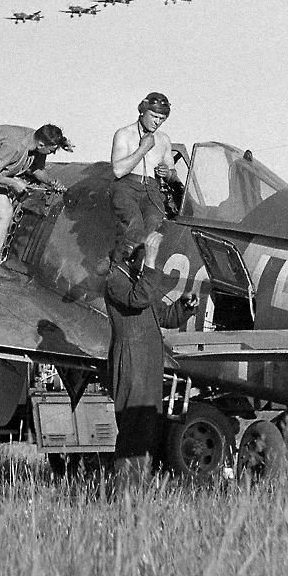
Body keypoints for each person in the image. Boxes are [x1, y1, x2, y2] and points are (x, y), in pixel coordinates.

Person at [103, 230, 198, 480]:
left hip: (146, 365)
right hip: (133, 363)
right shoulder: (115, 280)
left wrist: (183, 307)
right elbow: (139, 299)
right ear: (127, 254)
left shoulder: (137, 278)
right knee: (134, 427)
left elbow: (164, 316)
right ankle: (126, 492)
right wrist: (153, 264)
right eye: (142, 253)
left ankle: (136, 489)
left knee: (147, 428)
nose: (144, 259)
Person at [0, 123, 71, 285]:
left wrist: (51, 181)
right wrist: (12, 182)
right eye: (51, 150)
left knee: (5, 212)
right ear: (41, 145)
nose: (52, 153)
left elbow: (37, 169)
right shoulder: (15, 146)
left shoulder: (38, 146)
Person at [110, 92, 178, 262]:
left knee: (154, 223)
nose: (157, 122)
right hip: (127, 186)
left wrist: (168, 174)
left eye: (162, 118)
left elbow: (173, 174)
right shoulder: (124, 134)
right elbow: (118, 170)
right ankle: (116, 262)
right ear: (142, 111)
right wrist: (143, 149)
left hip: (151, 190)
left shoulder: (164, 139)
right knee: (134, 221)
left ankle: (133, 263)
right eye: (154, 116)